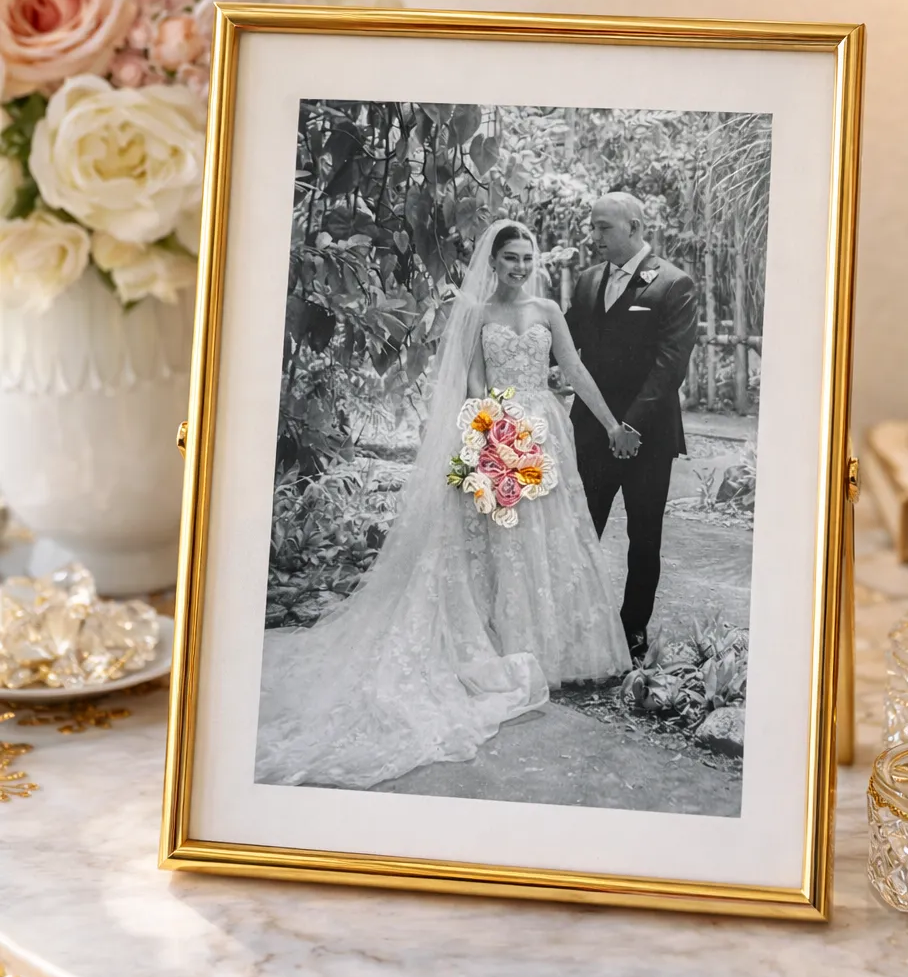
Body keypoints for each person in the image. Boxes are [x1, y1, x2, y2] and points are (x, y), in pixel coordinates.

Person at [255, 219, 630, 791]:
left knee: (548, 538)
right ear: (494, 262)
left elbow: (575, 372)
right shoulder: (479, 315)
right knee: (497, 536)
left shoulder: (550, 311)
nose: (520, 267)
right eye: (511, 258)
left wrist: (610, 426)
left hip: (547, 429)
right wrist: (499, 436)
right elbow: (474, 383)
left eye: (527, 258)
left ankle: (551, 650)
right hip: (497, 426)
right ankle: (497, 642)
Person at [566, 193, 699, 664]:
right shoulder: (585, 283)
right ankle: (575, 623)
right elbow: (563, 345)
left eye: (603, 228)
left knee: (644, 538)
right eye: (593, 227)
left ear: (635, 227)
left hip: (648, 435)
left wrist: (629, 426)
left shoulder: (673, 284)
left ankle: (632, 632)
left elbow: (670, 366)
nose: (594, 237)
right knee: (581, 529)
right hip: (590, 431)